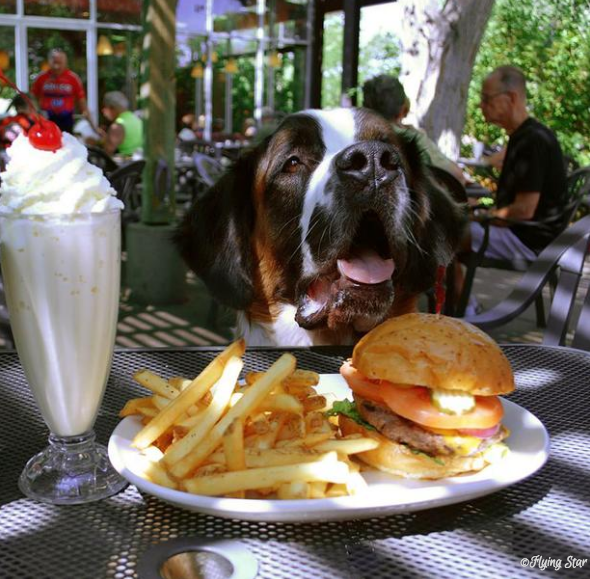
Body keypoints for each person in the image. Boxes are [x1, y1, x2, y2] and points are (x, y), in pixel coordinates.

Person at [457, 65, 567, 313]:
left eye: (487, 99)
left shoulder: (532, 141)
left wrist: (483, 216)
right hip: (532, 235)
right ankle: (463, 305)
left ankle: (465, 309)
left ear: (512, 98)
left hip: (530, 239)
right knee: (450, 228)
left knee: (443, 235)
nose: (481, 106)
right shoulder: (525, 136)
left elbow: (524, 211)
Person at [362, 74, 467, 185]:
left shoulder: (357, 138)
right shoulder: (411, 138)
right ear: (402, 109)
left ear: (365, 107)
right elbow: (457, 177)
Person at [31, 48, 94, 134]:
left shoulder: (73, 78)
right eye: (55, 62)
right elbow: (32, 98)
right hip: (46, 118)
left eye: (60, 62)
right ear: (49, 62)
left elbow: (81, 101)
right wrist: (36, 113)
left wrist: (93, 126)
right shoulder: (41, 78)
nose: (57, 66)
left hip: (66, 119)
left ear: (65, 62)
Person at [100, 91, 143, 157]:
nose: (103, 111)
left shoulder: (117, 126)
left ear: (112, 108)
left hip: (128, 164)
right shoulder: (136, 119)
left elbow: (106, 154)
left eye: (105, 107)